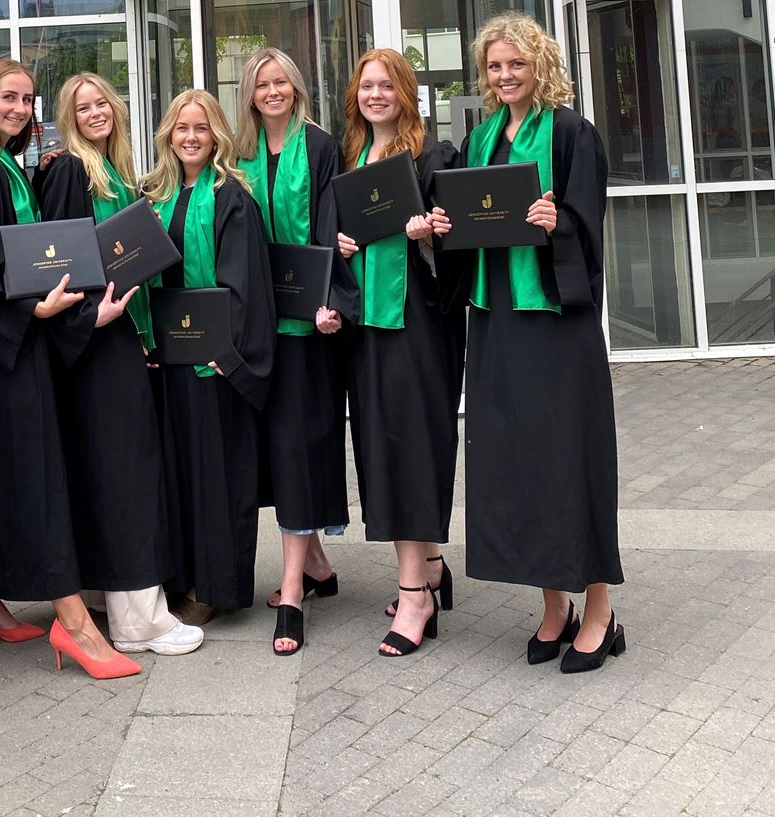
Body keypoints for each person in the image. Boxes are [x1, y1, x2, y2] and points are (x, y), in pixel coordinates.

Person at [0, 59, 142, 679]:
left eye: (27, 99)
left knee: (8, 471)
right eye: (8, 97)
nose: (18, 108)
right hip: (6, 348)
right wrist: (34, 309)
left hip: (26, 340)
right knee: (38, 477)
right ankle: (74, 623)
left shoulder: (12, 165)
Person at [448, 12, 624, 672]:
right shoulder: (481, 138)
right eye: (495, 66)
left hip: (555, 323)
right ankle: (555, 607)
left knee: (570, 461)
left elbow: (589, 225)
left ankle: (600, 610)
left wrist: (559, 223)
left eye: (516, 63)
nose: (505, 75)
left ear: (540, 64)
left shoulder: (573, 132)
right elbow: (471, 220)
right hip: (497, 320)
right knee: (520, 465)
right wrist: (442, 226)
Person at [31, 72, 202, 656]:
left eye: (101, 101)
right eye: (82, 107)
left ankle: (109, 599)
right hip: (96, 346)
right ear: (68, 117)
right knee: (127, 475)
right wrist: (89, 319)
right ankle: (140, 621)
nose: (95, 112)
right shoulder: (69, 171)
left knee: (110, 472)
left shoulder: (119, 172)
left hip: (121, 340)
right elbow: (56, 260)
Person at [334, 48, 465, 657]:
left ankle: (415, 596)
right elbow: (338, 238)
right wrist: (340, 247)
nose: (376, 95)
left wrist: (428, 237)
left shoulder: (434, 158)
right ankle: (431, 569)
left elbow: (461, 244)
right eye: (367, 86)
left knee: (411, 448)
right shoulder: (349, 161)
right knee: (383, 447)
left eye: (387, 85)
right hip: (366, 328)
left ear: (407, 93)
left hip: (416, 324)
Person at [234, 48, 354, 657]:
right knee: (278, 450)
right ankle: (317, 565)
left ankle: (291, 593)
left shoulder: (321, 147)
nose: (273, 91)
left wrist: (333, 300)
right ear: (250, 93)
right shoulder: (237, 153)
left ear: (296, 87)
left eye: (282, 81)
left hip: (308, 328)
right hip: (256, 327)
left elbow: (333, 229)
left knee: (297, 444)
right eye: (263, 83)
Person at [143, 89, 277, 625]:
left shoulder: (232, 198)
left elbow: (245, 284)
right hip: (171, 360)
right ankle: (181, 576)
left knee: (217, 475)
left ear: (216, 135)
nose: (191, 137)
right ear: (169, 136)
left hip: (214, 362)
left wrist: (228, 353)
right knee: (178, 472)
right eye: (182, 128)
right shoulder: (156, 195)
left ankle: (214, 585)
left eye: (201, 128)